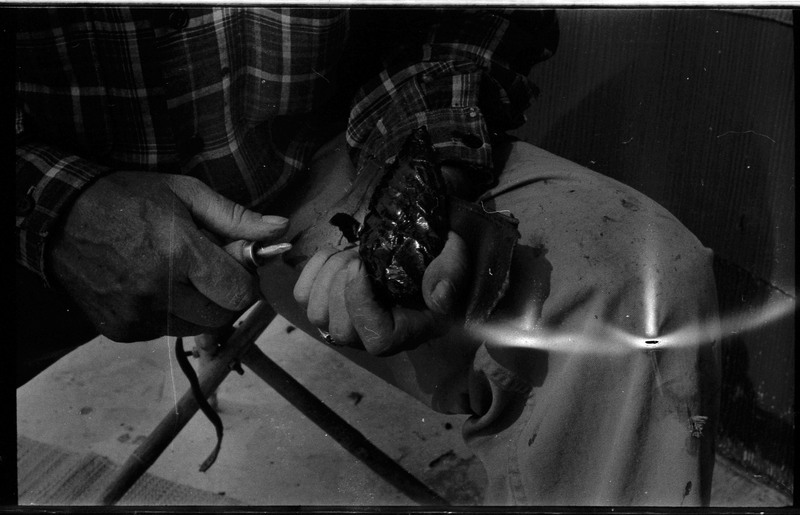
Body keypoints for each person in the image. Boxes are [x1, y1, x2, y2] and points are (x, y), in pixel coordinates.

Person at [15, 7, 720, 506]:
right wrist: (54, 204)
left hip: (325, 158)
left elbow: (476, 14)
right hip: (53, 182)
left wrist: (429, 175)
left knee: (641, 286)